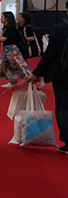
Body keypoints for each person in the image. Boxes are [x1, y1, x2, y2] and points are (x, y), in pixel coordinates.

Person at [26, 19, 68, 153]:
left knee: (63, 107)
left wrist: (37, 73)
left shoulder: (60, 30)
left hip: (63, 74)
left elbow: (50, 54)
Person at [0, 11, 31, 92]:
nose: (1, 18)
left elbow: (4, 38)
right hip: (7, 51)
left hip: (12, 51)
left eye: (2, 17)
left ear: (7, 18)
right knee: (0, 65)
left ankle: (32, 79)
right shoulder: (8, 27)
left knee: (19, 67)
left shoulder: (10, 28)